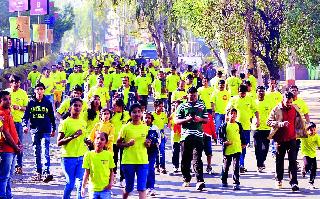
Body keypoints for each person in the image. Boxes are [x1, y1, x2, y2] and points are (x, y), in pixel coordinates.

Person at [267, 91, 307, 191]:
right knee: (279, 161)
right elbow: (268, 122)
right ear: (283, 100)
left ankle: (293, 182)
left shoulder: (295, 108)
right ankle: (279, 179)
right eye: (287, 102)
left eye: (290, 102)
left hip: (292, 139)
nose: (289, 104)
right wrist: (279, 124)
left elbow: (300, 121)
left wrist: (301, 131)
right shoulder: (277, 109)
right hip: (280, 140)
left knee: (293, 161)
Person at [174, 87, 208, 191]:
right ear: (187, 95)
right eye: (191, 95)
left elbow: (206, 119)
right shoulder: (182, 106)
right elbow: (176, 121)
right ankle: (186, 179)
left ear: (197, 95)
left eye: (194, 95)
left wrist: (200, 119)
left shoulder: (201, 105)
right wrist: (187, 119)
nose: (193, 97)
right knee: (185, 158)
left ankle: (200, 181)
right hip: (186, 136)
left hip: (198, 136)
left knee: (197, 158)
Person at [22, 82, 56, 182]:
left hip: (46, 129)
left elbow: (52, 117)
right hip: (34, 130)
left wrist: (54, 128)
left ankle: (46, 172)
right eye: (38, 89)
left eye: (41, 89)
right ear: (35, 90)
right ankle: (38, 172)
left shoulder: (47, 102)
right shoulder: (31, 102)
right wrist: (24, 126)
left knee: (45, 151)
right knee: (37, 151)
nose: (39, 91)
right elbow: (25, 116)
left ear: (44, 90)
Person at [117, 103, 150, 199]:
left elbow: (147, 143)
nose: (137, 114)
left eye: (139, 112)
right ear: (130, 114)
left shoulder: (145, 127)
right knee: (129, 187)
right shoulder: (125, 128)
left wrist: (147, 144)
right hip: (128, 162)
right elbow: (118, 143)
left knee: (142, 188)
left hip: (142, 161)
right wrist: (127, 144)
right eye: (134, 112)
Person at [57, 98, 88, 199]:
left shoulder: (83, 122)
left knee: (80, 184)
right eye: (75, 105)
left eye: (79, 106)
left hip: (81, 157)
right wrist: (73, 136)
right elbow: (59, 142)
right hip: (68, 157)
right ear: (70, 107)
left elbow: (84, 139)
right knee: (70, 184)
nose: (77, 108)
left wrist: (88, 142)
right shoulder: (65, 123)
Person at [227, 84, 260, 173]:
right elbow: (228, 110)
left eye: (244, 93)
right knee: (236, 145)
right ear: (238, 92)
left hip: (246, 127)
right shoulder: (233, 99)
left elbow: (256, 110)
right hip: (235, 126)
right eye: (241, 93)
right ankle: (237, 164)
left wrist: (258, 120)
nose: (242, 95)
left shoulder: (250, 99)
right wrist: (227, 120)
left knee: (243, 145)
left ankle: (241, 164)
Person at [0, 90, 22, 199]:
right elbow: (6, 134)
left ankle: (9, 196)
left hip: (12, 148)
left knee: (9, 177)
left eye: (9, 99)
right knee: (4, 177)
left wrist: (19, 142)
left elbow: (13, 130)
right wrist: (16, 147)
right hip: (6, 149)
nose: (8, 101)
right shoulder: (1, 114)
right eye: (5, 99)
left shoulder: (8, 111)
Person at [81, 132, 115, 199]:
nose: (99, 141)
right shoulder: (88, 155)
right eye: (97, 138)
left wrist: (111, 183)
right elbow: (86, 172)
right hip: (93, 189)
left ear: (106, 142)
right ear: (94, 140)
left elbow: (112, 171)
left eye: (102, 139)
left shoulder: (108, 155)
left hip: (105, 189)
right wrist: (83, 187)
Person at [6, 75, 28, 174]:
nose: (16, 84)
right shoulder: (6, 93)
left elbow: (26, 108)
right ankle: (8, 164)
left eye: (18, 82)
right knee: (7, 143)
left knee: (18, 143)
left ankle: (19, 165)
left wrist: (18, 107)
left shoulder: (23, 93)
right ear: (10, 83)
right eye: (14, 82)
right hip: (6, 122)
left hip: (18, 122)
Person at [219, 108, 246, 190]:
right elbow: (220, 137)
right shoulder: (224, 125)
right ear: (228, 115)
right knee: (226, 166)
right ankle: (224, 180)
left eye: (235, 113)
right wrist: (224, 142)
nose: (233, 115)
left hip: (237, 148)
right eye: (231, 113)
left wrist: (244, 143)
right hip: (228, 149)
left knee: (236, 166)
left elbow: (242, 135)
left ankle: (236, 182)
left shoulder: (238, 125)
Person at [111, 99, 130, 187]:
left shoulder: (127, 114)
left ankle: (123, 179)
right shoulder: (111, 114)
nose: (113, 107)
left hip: (123, 142)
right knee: (113, 160)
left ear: (121, 107)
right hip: (113, 142)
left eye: (115, 105)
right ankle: (113, 177)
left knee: (123, 161)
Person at [253, 86, 273, 172]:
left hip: (267, 128)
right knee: (257, 147)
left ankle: (262, 160)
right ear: (256, 92)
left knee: (265, 147)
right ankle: (259, 164)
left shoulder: (268, 103)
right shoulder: (253, 103)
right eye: (259, 91)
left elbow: (272, 115)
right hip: (256, 128)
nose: (261, 93)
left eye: (262, 91)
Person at [144, 112, 160, 196]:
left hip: (152, 150)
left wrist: (152, 142)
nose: (147, 119)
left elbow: (159, 138)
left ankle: (151, 187)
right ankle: (144, 187)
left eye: (149, 118)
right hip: (142, 151)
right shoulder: (140, 127)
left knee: (150, 168)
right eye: (145, 117)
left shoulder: (155, 128)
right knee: (144, 169)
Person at [300, 122, 320, 189]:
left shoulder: (316, 136)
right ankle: (304, 169)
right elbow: (295, 137)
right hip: (305, 153)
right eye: (311, 130)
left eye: (314, 130)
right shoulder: (304, 135)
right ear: (307, 130)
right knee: (307, 165)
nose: (313, 131)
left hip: (313, 154)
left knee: (314, 169)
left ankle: (311, 182)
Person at [152, 100, 168, 174]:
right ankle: (156, 166)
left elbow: (167, 124)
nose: (161, 108)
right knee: (155, 151)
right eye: (159, 106)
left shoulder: (163, 114)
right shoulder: (152, 115)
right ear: (155, 106)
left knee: (162, 151)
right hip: (154, 133)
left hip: (161, 133)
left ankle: (162, 167)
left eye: (162, 106)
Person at [168, 100, 182, 173]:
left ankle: (185, 167)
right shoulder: (173, 115)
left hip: (183, 137)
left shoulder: (185, 114)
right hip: (175, 137)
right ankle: (175, 166)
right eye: (176, 105)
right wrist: (174, 129)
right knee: (175, 152)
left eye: (179, 105)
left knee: (185, 153)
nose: (177, 106)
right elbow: (169, 125)